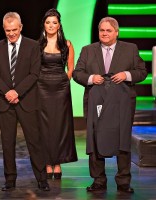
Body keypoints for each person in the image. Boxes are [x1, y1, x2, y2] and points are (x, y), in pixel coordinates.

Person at [73, 17, 147, 193]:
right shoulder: (88, 50)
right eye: (102, 31)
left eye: (108, 31)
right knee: (95, 140)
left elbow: (142, 72)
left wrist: (126, 75)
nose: (104, 34)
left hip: (121, 104)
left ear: (116, 32)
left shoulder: (130, 49)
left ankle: (123, 181)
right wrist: (91, 78)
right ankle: (99, 180)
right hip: (96, 103)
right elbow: (77, 73)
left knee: (122, 140)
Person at [0, 12, 50, 191]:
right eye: (8, 30)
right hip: (5, 101)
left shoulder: (32, 46)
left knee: (34, 141)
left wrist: (17, 91)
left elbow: (34, 73)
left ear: (21, 27)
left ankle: (41, 179)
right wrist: (7, 92)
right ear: (3, 29)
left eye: (14, 30)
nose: (11, 33)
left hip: (27, 100)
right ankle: (10, 179)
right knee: (7, 143)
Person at [38, 8, 78, 179]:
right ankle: (47, 162)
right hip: (41, 88)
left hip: (61, 89)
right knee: (45, 125)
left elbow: (71, 68)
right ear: (44, 25)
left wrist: (64, 81)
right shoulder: (37, 44)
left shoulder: (67, 44)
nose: (51, 25)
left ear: (59, 25)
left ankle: (58, 161)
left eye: (54, 22)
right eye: (48, 22)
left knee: (61, 125)